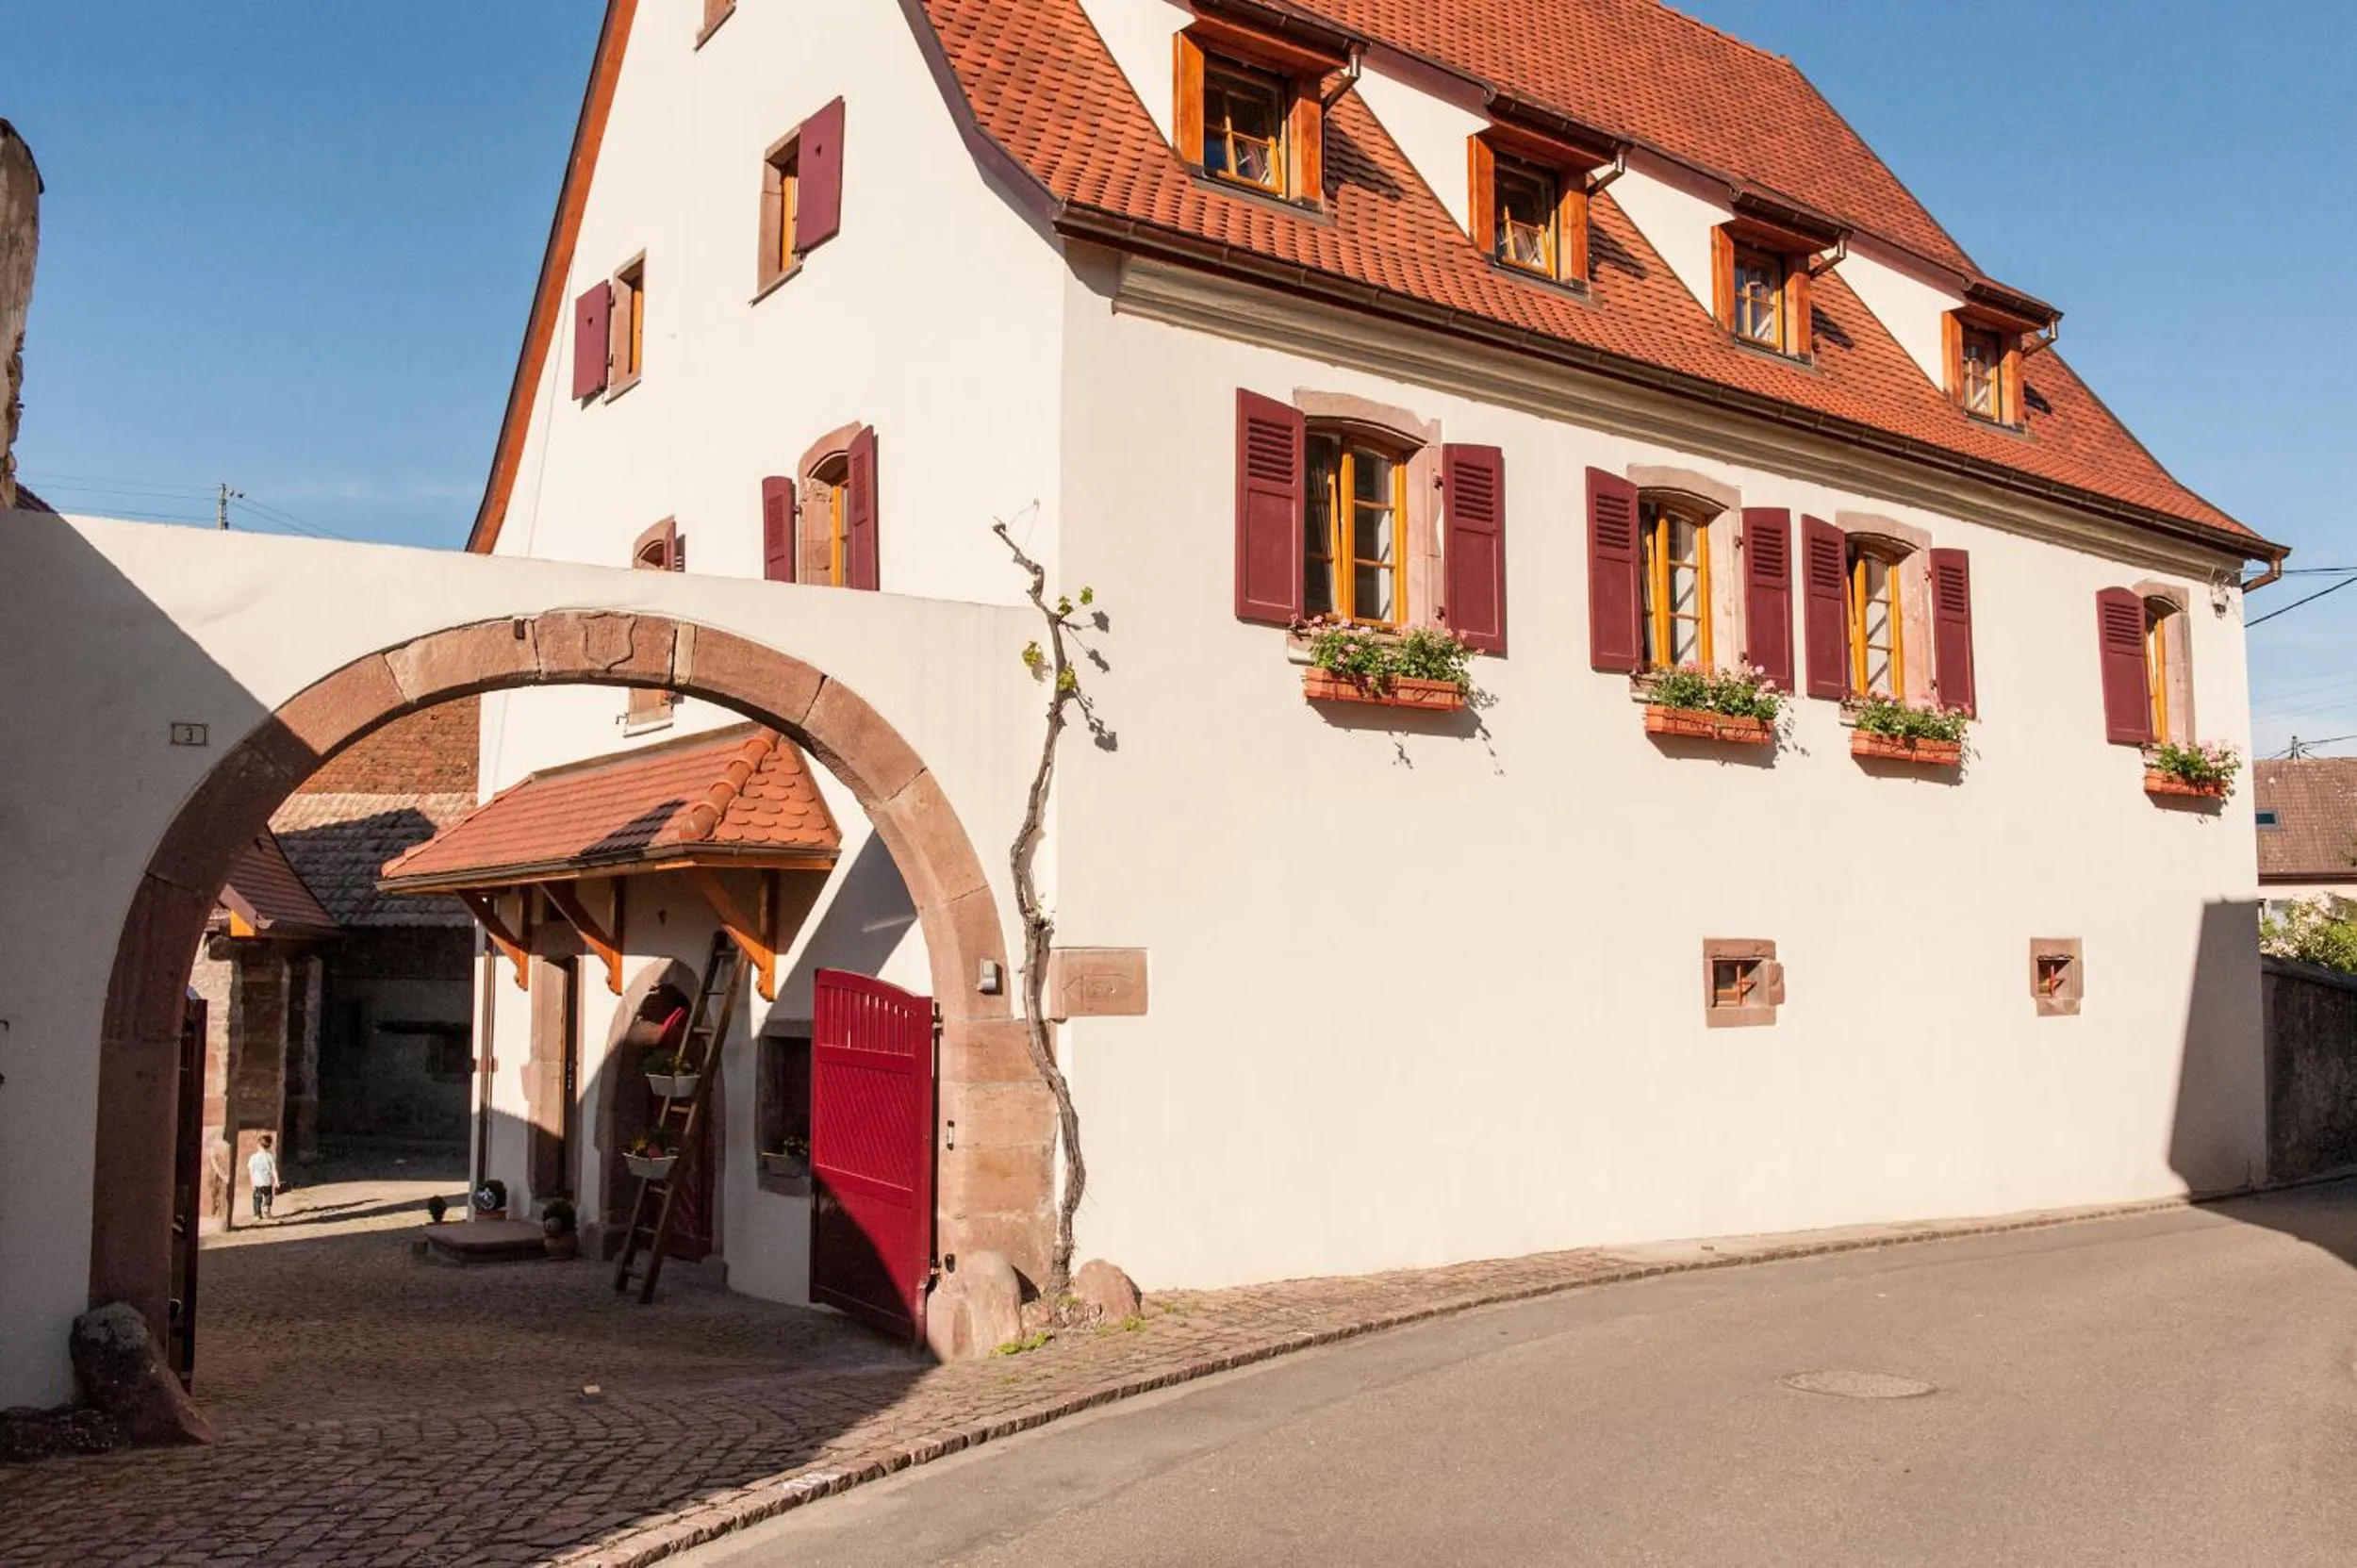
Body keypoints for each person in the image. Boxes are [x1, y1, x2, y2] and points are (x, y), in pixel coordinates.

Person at [247, 1134, 281, 1222]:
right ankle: (267, 1208)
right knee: (268, 1196)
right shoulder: (271, 1156)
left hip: (257, 1182)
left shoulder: (253, 1157)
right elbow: (274, 1170)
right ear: (269, 1145)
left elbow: (251, 1171)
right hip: (267, 1181)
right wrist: (276, 1180)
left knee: (257, 1199)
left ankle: (257, 1215)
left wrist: (252, 1182)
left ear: (258, 1145)